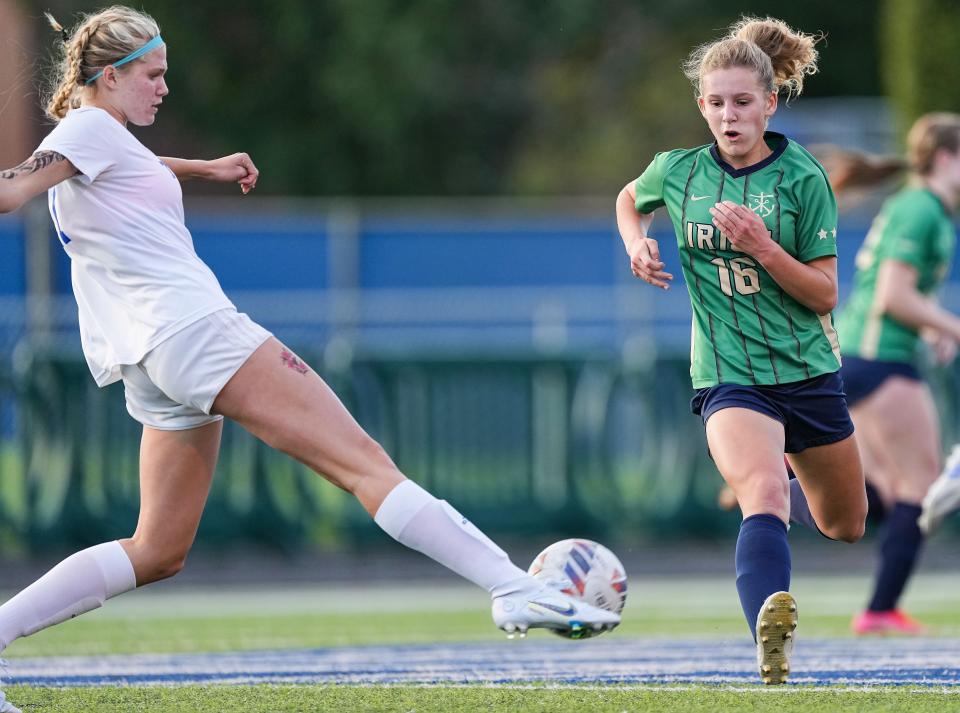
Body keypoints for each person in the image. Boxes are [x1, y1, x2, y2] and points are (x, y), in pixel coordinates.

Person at [0, 8, 618, 711]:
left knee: (157, 549)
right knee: (366, 463)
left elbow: (111, 163)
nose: (164, 87)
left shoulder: (101, 137)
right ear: (109, 77)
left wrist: (199, 166)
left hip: (152, 356)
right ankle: (511, 586)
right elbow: (13, 188)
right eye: (153, 74)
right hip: (195, 331)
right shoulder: (83, 131)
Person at [615, 16, 867, 684]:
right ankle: (768, 633)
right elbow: (628, 198)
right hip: (729, 374)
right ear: (701, 106)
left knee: (844, 523)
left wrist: (762, 246)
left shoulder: (802, 179)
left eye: (743, 102)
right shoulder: (679, 172)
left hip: (808, 371)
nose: (730, 115)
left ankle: (789, 461)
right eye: (717, 102)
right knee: (761, 492)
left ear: (769, 104)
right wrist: (636, 240)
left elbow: (823, 294)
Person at [828, 113, 960, 634]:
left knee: (881, 489)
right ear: (947, 158)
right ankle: (881, 609)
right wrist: (951, 327)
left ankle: (786, 479)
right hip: (880, 356)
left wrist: (933, 328)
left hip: (864, 352)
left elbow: (902, 294)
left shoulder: (924, 208)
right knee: (924, 486)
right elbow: (892, 296)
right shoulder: (922, 209)